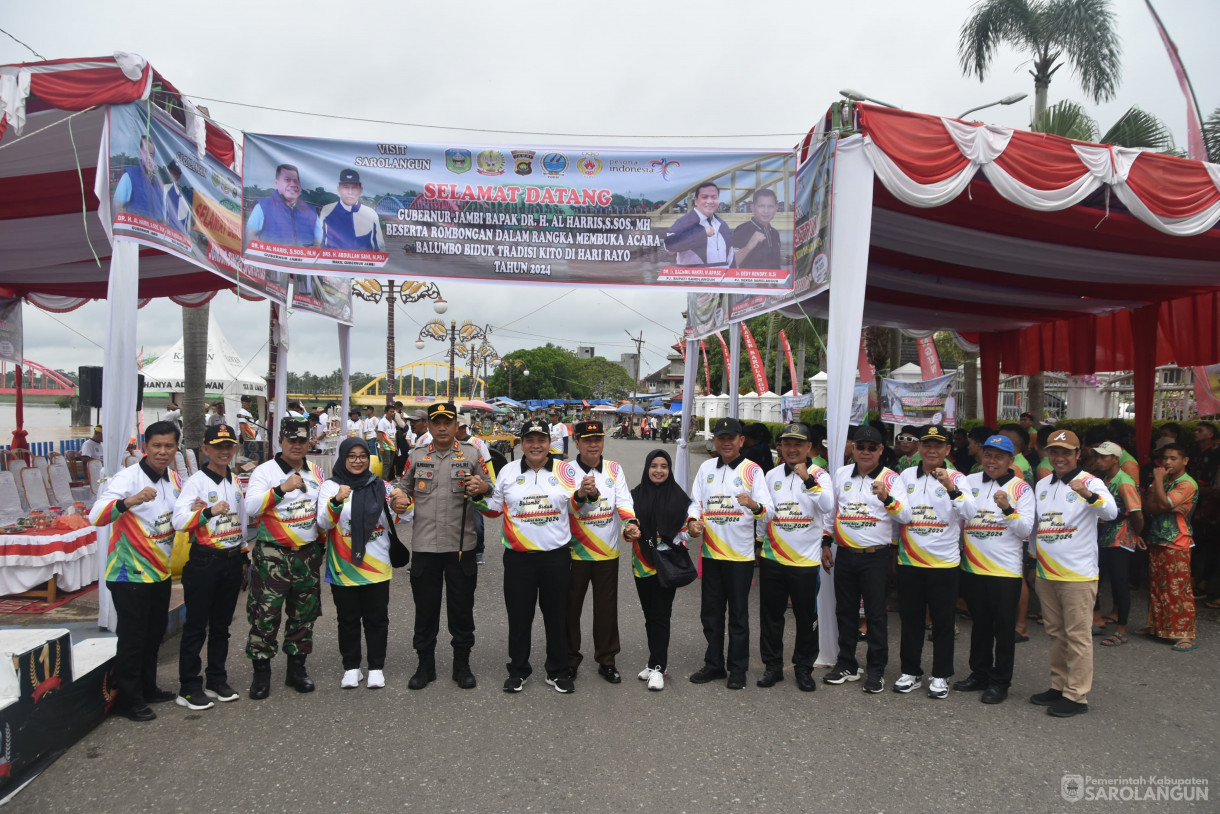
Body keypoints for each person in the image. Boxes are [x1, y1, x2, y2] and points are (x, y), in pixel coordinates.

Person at [472, 419, 598, 694]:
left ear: (549, 443)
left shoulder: (565, 471)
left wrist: (585, 495)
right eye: (530, 440)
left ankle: (558, 670)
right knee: (519, 617)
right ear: (521, 443)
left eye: (541, 439)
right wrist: (479, 495)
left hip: (556, 557)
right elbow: (494, 509)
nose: (536, 445)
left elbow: (582, 509)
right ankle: (518, 670)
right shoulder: (507, 471)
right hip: (519, 558)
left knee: (556, 616)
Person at [89, 420, 183, 722]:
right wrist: (129, 501)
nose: (162, 451)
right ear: (145, 447)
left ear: (176, 448)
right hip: (128, 574)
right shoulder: (127, 478)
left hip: (160, 572)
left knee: (154, 634)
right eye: (156, 445)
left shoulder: (174, 479)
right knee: (133, 637)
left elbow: (180, 518)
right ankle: (128, 700)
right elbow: (96, 516)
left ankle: (148, 687)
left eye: (169, 446)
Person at [400, 403, 489, 690]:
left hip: (460, 545)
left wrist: (481, 487)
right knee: (425, 610)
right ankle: (425, 666)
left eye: (447, 422)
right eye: (436, 422)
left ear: (456, 426)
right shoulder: (416, 456)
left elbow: (490, 487)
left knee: (461, 609)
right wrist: (397, 498)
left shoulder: (473, 455)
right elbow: (403, 486)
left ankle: (461, 665)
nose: (441, 427)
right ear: (428, 424)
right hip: (425, 546)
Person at [1030, 429, 1117, 718]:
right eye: (1054, 452)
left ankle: (1077, 695)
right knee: (1055, 633)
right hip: (1047, 572)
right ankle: (1059, 685)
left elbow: (1111, 512)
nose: (1059, 457)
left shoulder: (1091, 482)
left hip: (1078, 575)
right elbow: (1037, 526)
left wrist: (1088, 494)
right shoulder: (1043, 484)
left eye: (1066, 452)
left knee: (1078, 635)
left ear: (1078, 455)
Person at [822, 424, 911, 693]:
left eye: (872, 447)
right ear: (853, 448)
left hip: (876, 557)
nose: (865, 452)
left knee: (875, 616)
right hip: (846, 554)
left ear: (881, 450)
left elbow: (905, 516)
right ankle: (846, 663)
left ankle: (876, 670)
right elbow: (831, 511)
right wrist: (826, 543)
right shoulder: (840, 474)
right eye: (860, 446)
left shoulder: (891, 478)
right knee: (845, 612)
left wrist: (887, 498)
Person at [317, 438, 412, 689]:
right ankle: (351, 667)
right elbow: (323, 523)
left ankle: (376, 667)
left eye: (362, 455)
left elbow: (406, 514)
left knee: (377, 619)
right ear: (343, 458)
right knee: (347, 619)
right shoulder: (330, 486)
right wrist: (336, 501)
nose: (357, 460)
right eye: (351, 456)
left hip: (377, 565)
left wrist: (401, 502)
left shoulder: (381, 485)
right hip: (343, 566)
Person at [243, 419, 327, 700]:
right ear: (280, 441)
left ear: (308, 443)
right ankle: (261, 673)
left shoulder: (316, 471)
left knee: (304, 615)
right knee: (265, 615)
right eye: (291, 440)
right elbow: (251, 507)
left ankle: (297, 669)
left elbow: (323, 511)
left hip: (307, 554)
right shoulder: (264, 472)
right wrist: (281, 489)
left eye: (302, 441)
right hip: (272, 555)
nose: (297, 445)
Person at [686, 417, 771, 690]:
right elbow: (694, 503)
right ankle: (714, 664)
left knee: (738, 616)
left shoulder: (752, 471)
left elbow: (768, 511)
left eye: (730, 438)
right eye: (721, 437)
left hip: (740, 557)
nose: (725, 442)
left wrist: (754, 505)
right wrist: (692, 521)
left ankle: (737, 669)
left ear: (741, 441)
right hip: (711, 554)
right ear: (716, 440)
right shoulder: (706, 467)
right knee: (710, 614)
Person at [893, 425, 976, 699]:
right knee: (911, 619)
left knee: (942, 622)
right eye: (926, 445)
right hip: (910, 561)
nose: (931, 450)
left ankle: (941, 675)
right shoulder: (905, 476)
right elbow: (901, 515)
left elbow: (970, 512)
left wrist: (950, 487)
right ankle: (910, 671)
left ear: (947, 450)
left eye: (938, 446)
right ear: (919, 448)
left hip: (944, 563)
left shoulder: (958, 477)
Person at [172, 423, 247, 710]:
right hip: (204, 561)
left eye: (228, 446)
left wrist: (243, 556)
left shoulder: (236, 481)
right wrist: (206, 512)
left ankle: (216, 679)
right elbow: (179, 522)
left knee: (221, 627)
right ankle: (189, 686)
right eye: (217, 447)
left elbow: (239, 522)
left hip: (230, 561)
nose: (224, 451)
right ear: (205, 449)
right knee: (195, 627)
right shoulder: (196, 483)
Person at [957, 434, 1035, 704]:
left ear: (1010, 460)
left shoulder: (1021, 488)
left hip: (1004, 570)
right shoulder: (969, 481)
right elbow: (960, 515)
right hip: (973, 567)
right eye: (988, 455)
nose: (992, 461)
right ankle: (979, 673)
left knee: (1003, 629)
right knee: (979, 626)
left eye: (999, 457)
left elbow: (1025, 529)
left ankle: (1000, 682)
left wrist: (1008, 509)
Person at [758, 422, 833, 692]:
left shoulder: (820, 475)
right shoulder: (771, 475)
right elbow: (765, 513)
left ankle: (803, 668)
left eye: (798, 444)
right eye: (787, 444)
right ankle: (773, 667)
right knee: (771, 616)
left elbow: (827, 506)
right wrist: (758, 543)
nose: (792, 449)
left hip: (805, 561)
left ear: (809, 447)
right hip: (773, 557)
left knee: (805, 617)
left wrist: (807, 480)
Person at [565, 420, 640, 685]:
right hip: (574, 552)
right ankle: (569, 660)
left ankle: (607, 661)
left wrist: (631, 524)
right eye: (587, 440)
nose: (594, 444)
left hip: (607, 552)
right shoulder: (565, 470)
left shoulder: (614, 469)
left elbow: (624, 502)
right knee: (570, 610)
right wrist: (581, 494)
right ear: (577, 442)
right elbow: (565, 507)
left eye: (598, 439)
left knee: (606, 610)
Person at [629, 449, 690, 691]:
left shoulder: (679, 496)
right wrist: (630, 532)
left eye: (664, 466)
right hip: (642, 562)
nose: (658, 470)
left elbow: (684, 531)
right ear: (647, 468)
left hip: (667, 564)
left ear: (669, 469)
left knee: (661, 615)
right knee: (649, 614)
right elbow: (628, 523)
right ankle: (655, 661)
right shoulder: (634, 495)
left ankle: (658, 667)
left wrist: (687, 532)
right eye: (654, 465)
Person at [1139, 443, 1199, 652]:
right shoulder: (1168, 481)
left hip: (1177, 542)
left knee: (1178, 589)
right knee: (1158, 587)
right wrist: (1164, 504)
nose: (1167, 462)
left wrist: (1157, 481)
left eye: (1173, 458)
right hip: (1158, 538)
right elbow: (1149, 507)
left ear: (1185, 461)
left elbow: (1162, 506)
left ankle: (1186, 635)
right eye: (1165, 458)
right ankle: (1159, 628)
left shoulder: (1186, 484)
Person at [1088, 441, 1143, 648]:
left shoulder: (1124, 481)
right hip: (1103, 536)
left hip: (1120, 538)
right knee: (1096, 577)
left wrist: (1137, 535)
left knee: (1120, 583)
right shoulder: (1103, 478)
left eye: (1104, 457)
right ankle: (1097, 618)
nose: (1099, 460)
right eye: (1098, 457)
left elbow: (1137, 514)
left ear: (1115, 459)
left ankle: (1122, 629)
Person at [245, 163, 322, 247]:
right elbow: (249, 237)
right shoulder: (262, 207)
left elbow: (319, 242)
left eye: (295, 181)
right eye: (287, 180)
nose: (292, 184)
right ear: (276, 183)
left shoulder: (311, 211)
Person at [664, 182, 734, 268]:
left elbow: (731, 257)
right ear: (696, 200)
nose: (710, 201)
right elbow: (669, 246)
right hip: (693, 280)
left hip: (721, 280)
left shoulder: (723, 225)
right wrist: (702, 233)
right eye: (704, 197)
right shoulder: (683, 222)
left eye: (714, 197)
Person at [1189, 421, 1220, 607]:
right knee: (1196, 544)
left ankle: (1202, 583)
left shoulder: (1214, 455)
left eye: (1200, 430)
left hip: (1210, 507)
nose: (1196, 433)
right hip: (1198, 505)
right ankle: (1193, 580)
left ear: (1211, 434)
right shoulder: (1196, 454)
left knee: (1209, 546)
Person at [456, 416, 494, 564]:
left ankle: (479, 550)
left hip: (474, 490)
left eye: (457, 427)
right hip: (454, 491)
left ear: (463, 428)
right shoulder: (449, 443)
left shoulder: (477, 443)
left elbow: (488, 467)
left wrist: (490, 488)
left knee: (476, 523)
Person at [321, 168, 385, 250]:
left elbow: (381, 249)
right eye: (346, 187)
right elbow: (319, 244)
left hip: (364, 262)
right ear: (339, 189)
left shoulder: (371, 214)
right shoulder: (327, 211)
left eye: (354, 188)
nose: (350, 192)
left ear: (360, 190)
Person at [112, 135, 165, 223]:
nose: (148, 157)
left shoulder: (158, 184)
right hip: (136, 233)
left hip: (155, 234)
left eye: (151, 154)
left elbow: (164, 219)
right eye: (145, 153)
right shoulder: (129, 175)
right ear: (140, 152)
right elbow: (117, 207)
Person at [733, 188, 782, 270]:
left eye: (770, 206)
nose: (766, 211)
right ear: (752, 207)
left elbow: (776, 265)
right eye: (761, 206)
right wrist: (749, 246)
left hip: (771, 281)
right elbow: (733, 262)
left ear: (776, 208)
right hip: (749, 281)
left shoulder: (774, 233)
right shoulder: (742, 230)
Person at [238, 395, 262, 463]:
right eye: (247, 402)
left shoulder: (248, 412)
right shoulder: (242, 412)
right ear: (242, 402)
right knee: (243, 458)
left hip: (249, 437)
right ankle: (241, 471)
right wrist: (245, 440)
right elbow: (242, 426)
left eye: (250, 402)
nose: (249, 403)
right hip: (244, 438)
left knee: (247, 458)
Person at [376, 405, 398, 479]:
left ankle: (387, 479)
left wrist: (396, 446)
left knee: (390, 464)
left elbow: (395, 435)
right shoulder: (382, 421)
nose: (392, 413)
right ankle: (384, 481)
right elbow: (380, 434)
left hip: (392, 446)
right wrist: (381, 446)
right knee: (386, 464)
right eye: (390, 412)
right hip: (385, 446)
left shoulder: (393, 422)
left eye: (393, 412)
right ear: (386, 412)